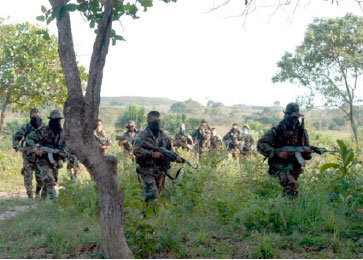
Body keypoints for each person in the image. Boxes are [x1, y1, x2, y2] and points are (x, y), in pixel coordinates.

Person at [257, 103, 312, 198]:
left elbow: (306, 156)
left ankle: (285, 208)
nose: (294, 120)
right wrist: (277, 153)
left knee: (290, 187)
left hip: (295, 168)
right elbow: (261, 145)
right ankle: (288, 209)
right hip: (279, 166)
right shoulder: (276, 131)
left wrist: (307, 152)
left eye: (296, 117)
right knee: (291, 184)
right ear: (286, 115)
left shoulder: (302, 132)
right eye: (292, 117)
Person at [133, 111, 182, 202]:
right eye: (155, 121)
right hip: (147, 170)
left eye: (159, 121)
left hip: (160, 171)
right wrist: (151, 154)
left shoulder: (164, 136)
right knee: (152, 195)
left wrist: (175, 158)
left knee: (157, 196)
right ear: (148, 121)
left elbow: (169, 151)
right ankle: (150, 213)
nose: (157, 123)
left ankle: (147, 214)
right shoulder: (142, 135)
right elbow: (136, 150)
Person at [26, 110, 66, 201]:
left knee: (53, 180)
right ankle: (54, 201)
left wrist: (63, 154)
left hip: (55, 160)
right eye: (55, 120)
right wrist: (35, 150)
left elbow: (65, 146)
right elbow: (29, 138)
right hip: (43, 160)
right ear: (50, 120)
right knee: (49, 180)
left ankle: (43, 200)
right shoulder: (44, 131)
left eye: (58, 120)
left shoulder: (62, 133)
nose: (57, 122)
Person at [12, 108, 45, 199]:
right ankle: (30, 197)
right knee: (27, 177)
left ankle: (37, 193)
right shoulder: (25, 127)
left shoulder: (44, 127)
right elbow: (16, 137)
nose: (36, 116)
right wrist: (17, 147)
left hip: (40, 156)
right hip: (28, 156)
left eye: (37, 114)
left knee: (40, 178)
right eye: (34, 115)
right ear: (30, 115)